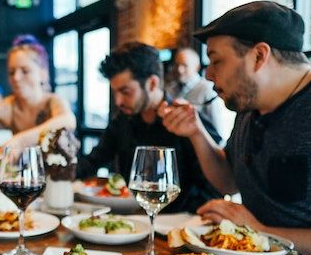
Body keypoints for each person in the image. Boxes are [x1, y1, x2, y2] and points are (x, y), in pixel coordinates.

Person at [159, 1, 311, 255]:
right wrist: (196, 132)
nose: (208, 75)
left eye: (216, 61)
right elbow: (228, 180)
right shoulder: (249, 106)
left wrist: (260, 230)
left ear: (259, 56)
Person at [77, 42, 221, 213]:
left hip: (177, 226)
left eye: (125, 91)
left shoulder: (186, 120)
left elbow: (215, 188)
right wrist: (60, 166)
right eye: (115, 92)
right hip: (131, 221)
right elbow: (92, 161)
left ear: (152, 83)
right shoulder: (122, 121)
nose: (118, 101)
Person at [165, 47, 235, 142]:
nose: (179, 69)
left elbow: (217, 130)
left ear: (196, 67)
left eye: (184, 65)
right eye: (177, 65)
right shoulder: (170, 89)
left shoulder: (208, 89)